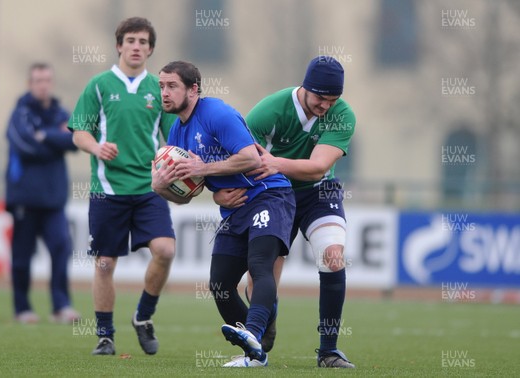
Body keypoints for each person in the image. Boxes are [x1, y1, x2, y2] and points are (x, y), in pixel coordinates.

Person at [214, 56, 357, 368]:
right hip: (274, 195)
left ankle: (328, 351)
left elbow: (319, 168)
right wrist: (219, 193)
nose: (326, 106)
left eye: (333, 99)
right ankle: (264, 329)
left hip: (319, 193)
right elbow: (241, 159)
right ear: (304, 87)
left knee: (333, 256)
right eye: (320, 98)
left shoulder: (342, 114)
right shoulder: (269, 111)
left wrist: (274, 162)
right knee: (260, 276)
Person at [152, 60, 296, 368]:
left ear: (194, 89)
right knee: (219, 283)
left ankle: (254, 333)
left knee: (260, 265)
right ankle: (256, 347)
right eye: (161, 86)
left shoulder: (217, 113)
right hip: (235, 209)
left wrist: (203, 169)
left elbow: (250, 158)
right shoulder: (177, 133)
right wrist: (160, 186)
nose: (164, 93)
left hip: (269, 194)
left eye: (172, 86)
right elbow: (185, 196)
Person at [68, 17, 177, 356]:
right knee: (105, 264)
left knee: (166, 251)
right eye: (130, 40)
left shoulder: (159, 90)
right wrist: (96, 147)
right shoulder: (99, 85)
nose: (136, 46)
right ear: (119, 45)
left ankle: (143, 317)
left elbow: (174, 140)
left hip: (149, 189)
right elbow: (78, 132)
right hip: (107, 190)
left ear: (151, 49)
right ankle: (105, 336)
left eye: (143, 42)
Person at [5, 62, 80, 324]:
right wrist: (54, 139)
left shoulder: (61, 112)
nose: (43, 84)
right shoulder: (20, 113)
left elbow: (74, 140)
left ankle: (61, 306)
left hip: (54, 199)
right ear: (30, 83)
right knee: (22, 257)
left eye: (47, 79)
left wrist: (43, 135)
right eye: (38, 80)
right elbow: (25, 145)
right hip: (24, 199)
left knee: (62, 247)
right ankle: (22, 308)